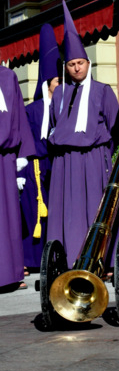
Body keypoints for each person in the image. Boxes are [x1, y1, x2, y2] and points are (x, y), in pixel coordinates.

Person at [47, 1, 119, 268]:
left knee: (94, 209)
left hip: (94, 160)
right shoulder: (59, 94)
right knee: (68, 212)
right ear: (66, 67)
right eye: (71, 64)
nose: (77, 68)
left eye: (80, 63)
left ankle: (101, 259)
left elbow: (117, 128)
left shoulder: (103, 91)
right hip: (65, 163)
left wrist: (107, 159)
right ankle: (69, 260)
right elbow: (54, 127)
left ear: (88, 64)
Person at [21, 24, 61, 271]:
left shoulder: (66, 106)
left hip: (57, 164)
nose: (61, 83)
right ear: (48, 82)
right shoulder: (31, 110)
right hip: (34, 167)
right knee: (33, 211)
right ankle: (31, 260)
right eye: (58, 80)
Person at [0, 64, 36, 290]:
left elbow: (20, 115)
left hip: (5, 157)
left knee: (8, 217)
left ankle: (9, 274)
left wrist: (23, 155)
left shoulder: (8, 76)